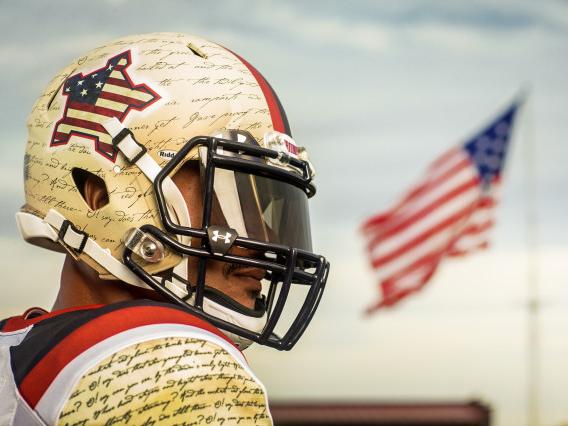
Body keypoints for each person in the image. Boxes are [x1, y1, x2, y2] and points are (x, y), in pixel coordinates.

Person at [0, 32, 329, 425]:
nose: (262, 246)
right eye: (232, 200)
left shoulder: (17, 354)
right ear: (99, 194)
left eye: (270, 212)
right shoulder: (171, 366)